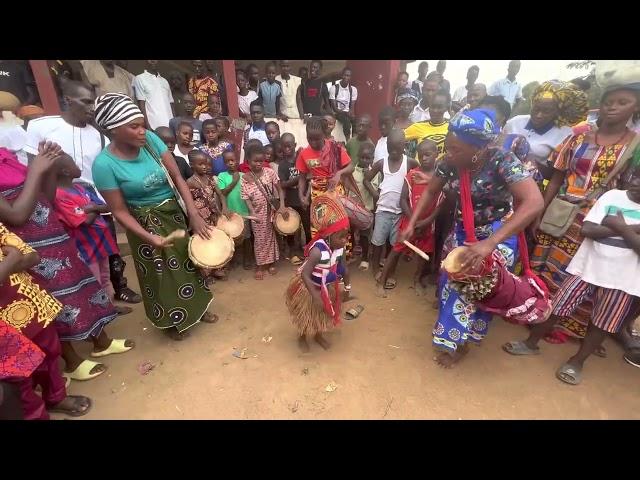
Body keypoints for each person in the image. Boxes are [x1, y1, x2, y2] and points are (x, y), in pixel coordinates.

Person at [398, 108, 544, 368]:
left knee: (475, 288)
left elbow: (534, 202)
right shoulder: (450, 161)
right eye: (449, 147)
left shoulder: (502, 161)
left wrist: (490, 244)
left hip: (497, 234)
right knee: (450, 284)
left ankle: (460, 341)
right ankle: (454, 337)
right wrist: (412, 222)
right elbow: (432, 191)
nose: (449, 154)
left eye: (456, 149)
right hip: (463, 231)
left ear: (479, 149)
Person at [91, 93, 216, 341]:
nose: (142, 131)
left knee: (188, 262)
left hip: (172, 213)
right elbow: (119, 211)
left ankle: (198, 309)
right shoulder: (104, 165)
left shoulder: (149, 140)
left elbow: (178, 177)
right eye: (134, 126)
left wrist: (193, 214)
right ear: (112, 130)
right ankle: (170, 321)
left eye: (142, 124)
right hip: (141, 223)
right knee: (158, 273)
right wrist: (148, 237)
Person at [1, 142, 128, 382]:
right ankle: (72, 361)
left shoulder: (6, 155)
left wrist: (48, 167)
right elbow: (16, 216)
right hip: (29, 248)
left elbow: (45, 199)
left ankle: (101, 342)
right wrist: (37, 170)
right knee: (55, 301)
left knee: (83, 288)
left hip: (54, 237)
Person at [504, 171, 640, 385]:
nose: (636, 183)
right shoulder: (613, 196)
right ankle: (531, 343)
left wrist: (620, 226)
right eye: (636, 177)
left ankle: (577, 362)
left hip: (623, 280)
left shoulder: (615, 205)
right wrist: (633, 231)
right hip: (586, 267)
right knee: (557, 307)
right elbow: (587, 229)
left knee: (601, 324)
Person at [529, 84, 640, 345]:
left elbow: (630, 189)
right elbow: (556, 178)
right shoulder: (578, 137)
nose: (612, 107)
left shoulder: (634, 147)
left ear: (635, 108)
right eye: (608, 102)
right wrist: (539, 212)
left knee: (581, 274)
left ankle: (568, 326)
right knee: (546, 267)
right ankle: (536, 316)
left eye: (622, 102)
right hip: (560, 211)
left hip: (599, 219)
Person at [24, 80, 141, 305]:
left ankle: (119, 289)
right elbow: (33, 166)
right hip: (60, 198)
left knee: (109, 249)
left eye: (94, 103)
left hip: (93, 196)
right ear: (68, 100)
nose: (92, 108)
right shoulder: (42, 127)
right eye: (86, 102)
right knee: (79, 256)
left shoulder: (99, 136)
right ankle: (90, 300)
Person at [0, 223, 92, 419]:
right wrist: (13, 258)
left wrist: (12, 262)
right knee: (19, 378)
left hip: (34, 306)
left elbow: (32, 256)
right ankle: (37, 414)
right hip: (5, 327)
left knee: (50, 353)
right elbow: (18, 254)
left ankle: (56, 397)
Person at [285, 192, 351, 352]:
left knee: (322, 314)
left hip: (327, 287)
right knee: (306, 315)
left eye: (346, 237)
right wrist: (315, 296)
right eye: (341, 237)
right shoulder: (317, 251)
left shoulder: (340, 249)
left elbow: (344, 269)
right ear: (329, 236)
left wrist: (347, 288)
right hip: (310, 287)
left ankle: (318, 334)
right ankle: (302, 336)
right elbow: (304, 274)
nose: (345, 241)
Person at [376, 139, 441, 297]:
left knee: (422, 254)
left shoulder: (440, 178)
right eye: (420, 155)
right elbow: (403, 200)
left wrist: (426, 222)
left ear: (437, 154)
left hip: (428, 224)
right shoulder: (412, 175)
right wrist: (414, 220)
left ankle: (417, 279)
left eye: (427, 154)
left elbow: (441, 204)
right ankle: (381, 281)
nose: (423, 158)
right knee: (396, 251)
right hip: (409, 223)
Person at [504, 80, 587, 183]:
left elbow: (557, 175)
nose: (539, 115)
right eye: (536, 109)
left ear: (557, 111)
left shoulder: (565, 134)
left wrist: (530, 163)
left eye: (546, 111)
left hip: (529, 184)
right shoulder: (516, 122)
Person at [365, 128, 418, 284]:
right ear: (386, 145)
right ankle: (375, 268)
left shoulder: (410, 162)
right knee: (378, 242)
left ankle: (391, 272)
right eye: (390, 147)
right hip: (382, 211)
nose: (393, 151)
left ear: (405, 146)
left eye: (397, 147)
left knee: (395, 245)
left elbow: (422, 174)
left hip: (400, 212)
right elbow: (366, 179)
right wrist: (375, 194)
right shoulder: (381, 163)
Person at [241, 142, 287, 280]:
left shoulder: (270, 173)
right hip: (257, 213)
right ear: (248, 161)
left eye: (261, 161)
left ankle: (272, 262)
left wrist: (282, 206)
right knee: (260, 239)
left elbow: (279, 189)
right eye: (255, 161)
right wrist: (252, 212)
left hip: (272, 210)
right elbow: (246, 198)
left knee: (272, 237)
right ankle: (261, 265)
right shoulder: (245, 178)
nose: (258, 163)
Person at [187, 149, 231, 285]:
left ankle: (217, 268)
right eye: (200, 164)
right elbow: (188, 204)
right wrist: (194, 219)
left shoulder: (210, 179)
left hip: (213, 216)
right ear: (192, 165)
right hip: (200, 219)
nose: (205, 166)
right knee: (203, 244)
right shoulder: (189, 182)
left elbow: (221, 194)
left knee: (215, 241)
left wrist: (224, 207)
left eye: (206, 163)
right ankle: (205, 273)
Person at [279, 133, 311, 266]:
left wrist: (307, 197)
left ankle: (310, 251)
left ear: (295, 145)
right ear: (281, 147)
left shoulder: (302, 160)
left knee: (308, 227)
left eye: (290, 146)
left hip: (304, 201)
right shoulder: (283, 165)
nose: (287, 149)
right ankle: (293, 252)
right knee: (291, 229)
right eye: (285, 146)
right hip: (291, 202)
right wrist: (298, 178)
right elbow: (283, 184)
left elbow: (310, 180)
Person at [218, 150, 253, 270]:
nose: (231, 163)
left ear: (237, 161)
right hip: (230, 214)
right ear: (224, 163)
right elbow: (223, 192)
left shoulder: (244, 176)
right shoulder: (222, 176)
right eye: (227, 161)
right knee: (230, 237)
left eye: (233, 160)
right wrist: (234, 181)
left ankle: (247, 259)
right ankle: (232, 260)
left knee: (246, 237)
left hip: (244, 212)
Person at [351, 141, 378, 270]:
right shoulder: (352, 171)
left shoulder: (375, 173)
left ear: (372, 158)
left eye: (368, 158)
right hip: (352, 209)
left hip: (367, 209)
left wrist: (369, 176)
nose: (365, 160)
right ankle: (351, 253)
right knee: (350, 233)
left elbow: (376, 191)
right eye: (362, 157)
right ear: (358, 156)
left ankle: (365, 259)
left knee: (364, 235)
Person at [404, 89, 451, 160]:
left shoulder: (452, 127)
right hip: (420, 170)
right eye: (433, 107)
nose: (435, 110)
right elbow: (396, 139)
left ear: (446, 108)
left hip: (443, 170)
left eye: (439, 107)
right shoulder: (418, 126)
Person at [133, 60, 175, 130]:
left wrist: (175, 124)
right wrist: (147, 126)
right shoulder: (140, 78)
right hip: (154, 126)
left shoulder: (165, 81)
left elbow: (171, 104)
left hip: (170, 126)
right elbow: (141, 104)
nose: (153, 61)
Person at [330, 67, 358, 140]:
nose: (347, 77)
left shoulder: (353, 90)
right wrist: (345, 113)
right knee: (346, 122)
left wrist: (351, 114)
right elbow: (334, 109)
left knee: (356, 121)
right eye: (345, 75)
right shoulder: (334, 88)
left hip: (347, 113)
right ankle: (348, 141)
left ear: (350, 77)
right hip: (338, 113)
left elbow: (352, 108)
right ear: (342, 76)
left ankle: (354, 140)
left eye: (348, 76)